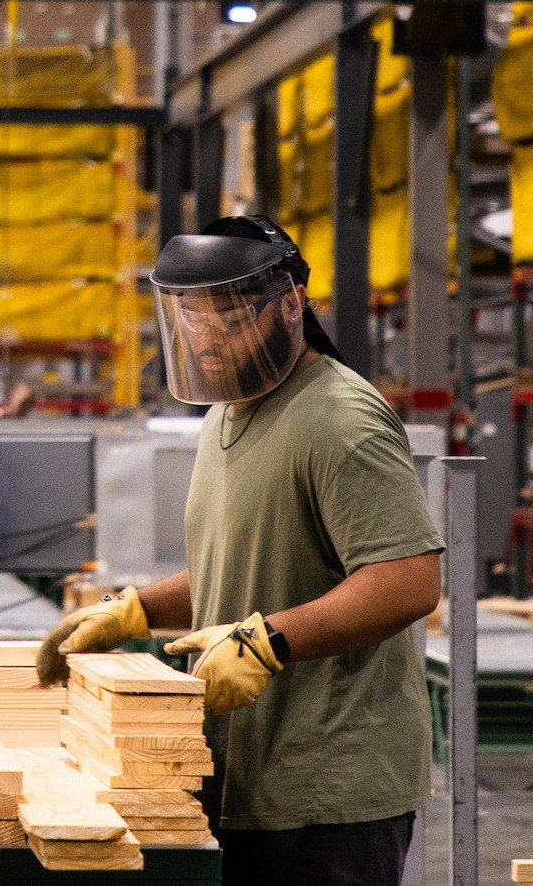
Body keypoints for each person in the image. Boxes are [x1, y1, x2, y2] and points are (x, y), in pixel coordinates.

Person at [36, 215, 442, 885]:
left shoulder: (339, 417)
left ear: (292, 302)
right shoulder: (226, 413)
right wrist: (134, 610)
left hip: (324, 800)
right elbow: (250, 560)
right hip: (243, 782)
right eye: (193, 317)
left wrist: (269, 640)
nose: (208, 337)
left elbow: (406, 580)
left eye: (231, 316)